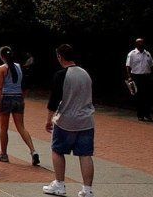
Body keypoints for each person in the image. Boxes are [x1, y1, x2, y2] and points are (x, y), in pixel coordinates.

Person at [43, 44, 95, 197]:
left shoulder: (61, 75)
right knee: (85, 154)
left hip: (66, 120)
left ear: (60, 57)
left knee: (57, 150)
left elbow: (54, 100)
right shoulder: (85, 73)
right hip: (86, 120)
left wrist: (48, 119)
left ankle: (59, 184)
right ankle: (87, 189)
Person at [0, 46, 39, 165]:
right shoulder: (18, 67)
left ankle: (3, 154)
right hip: (18, 97)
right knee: (21, 127)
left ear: (1, 56)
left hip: (6, 98)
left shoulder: (1, 69)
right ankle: (33, 151)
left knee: (4, 128)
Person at [125, 37, 153, 121]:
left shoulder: (147, 53)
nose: (141, 44)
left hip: (147, 77)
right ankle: (140, 115)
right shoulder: (132, 54)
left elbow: (152, 65)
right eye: (139, 43)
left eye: (142, 43)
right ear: (136, 44)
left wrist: (152, 76)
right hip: (137, 77)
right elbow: (128, 66)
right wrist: (129, 77)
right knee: (139, 96)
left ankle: (147, 114)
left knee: (148, 96)